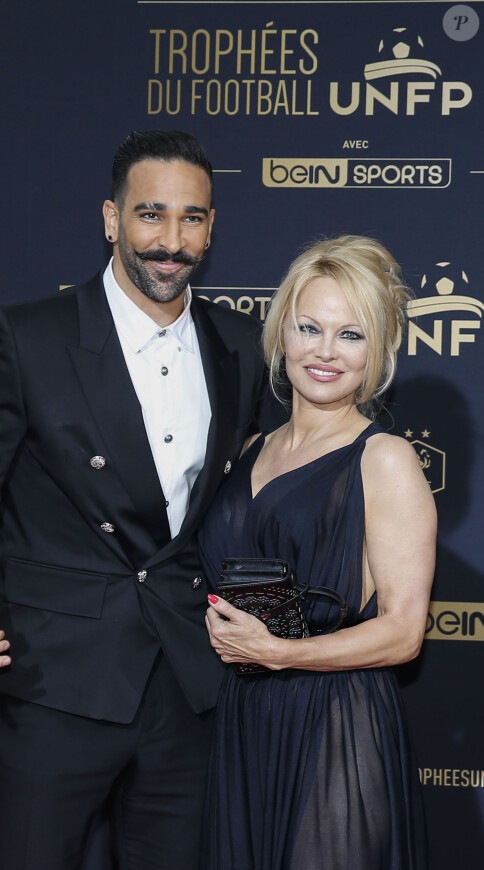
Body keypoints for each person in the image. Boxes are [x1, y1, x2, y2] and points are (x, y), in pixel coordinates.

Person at [0, 130, 274, 870]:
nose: (171, 242)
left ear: (212, 227)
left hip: (189, 689)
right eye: (151, 215)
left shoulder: (244, 344)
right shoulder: (26, 338)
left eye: (192, 219)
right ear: (110, 219)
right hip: (53, 685)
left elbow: (251, 509)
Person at [199, 235, 437, 869]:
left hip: (335, 721)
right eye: (310, 328)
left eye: (351, 335)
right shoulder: (250, 448)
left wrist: (281, 654)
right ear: (282, 336)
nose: (326, 352)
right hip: (245, 718)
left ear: (377, 352)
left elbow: (403, 633)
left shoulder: (384, 458)